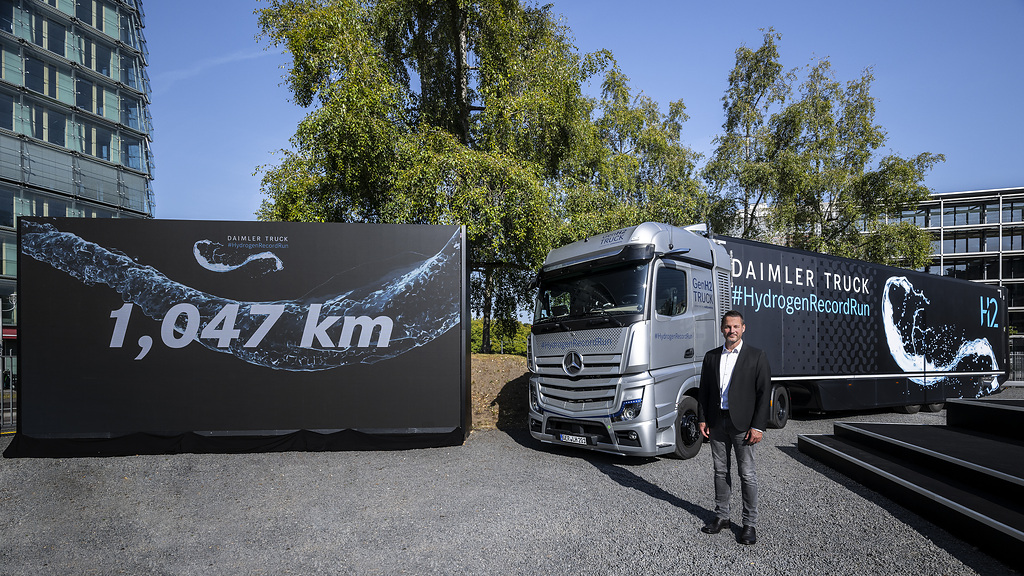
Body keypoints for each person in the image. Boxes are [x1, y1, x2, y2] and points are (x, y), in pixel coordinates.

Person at [697, 309, 771, 545]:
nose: (732, 330)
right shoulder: (711, 357)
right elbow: (704, 391)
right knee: (720, 471)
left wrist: (758, 426)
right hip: (717, 422)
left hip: (743, 426)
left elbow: (764, 394)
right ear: (722, 329)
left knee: (747, 474)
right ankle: (722, 517)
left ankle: (749, 524)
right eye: (728, 327)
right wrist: (702, 418)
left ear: (743, 328)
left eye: (736, 326)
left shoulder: (756, 356)